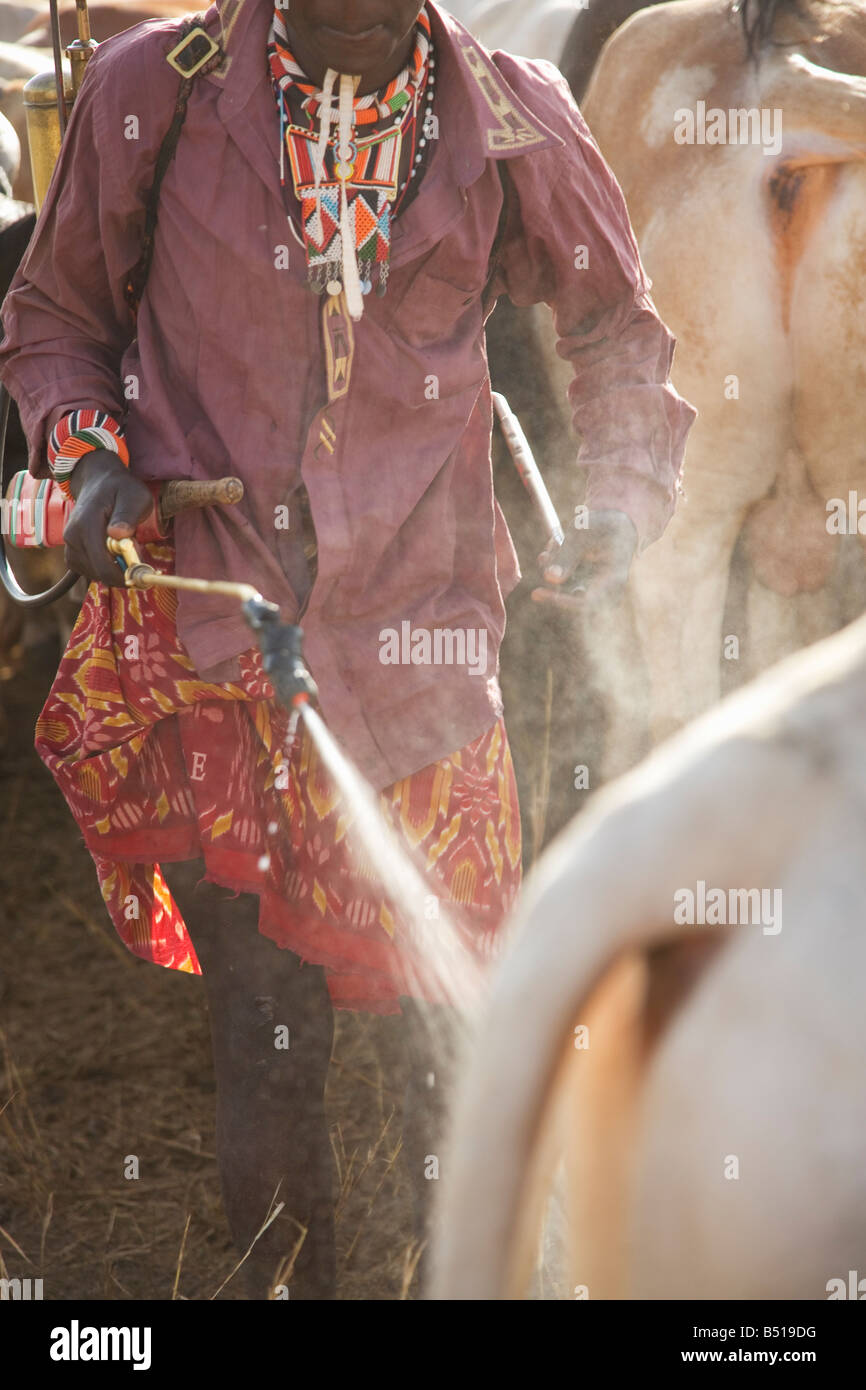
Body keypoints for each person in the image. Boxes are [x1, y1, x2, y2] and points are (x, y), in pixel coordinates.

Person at [0, 0, 696, 1299]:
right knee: (268, 1039)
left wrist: (611, 503)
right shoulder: (152, 92)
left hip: (423, 655)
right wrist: (89, 462)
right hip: (222, 644)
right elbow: (57, 318)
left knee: (443, 1053)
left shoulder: (511, 117)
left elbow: (614, 332)